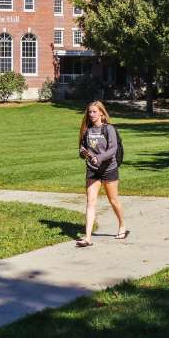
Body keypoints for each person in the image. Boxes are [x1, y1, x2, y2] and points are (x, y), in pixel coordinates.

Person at [75, 101, 126, 247]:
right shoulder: (87, 131)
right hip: (92, 169)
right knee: (90, 202)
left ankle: (122, 225)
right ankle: (88, 237)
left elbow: (113, 149)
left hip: (109, 169)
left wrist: (100, 157)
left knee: (113, 200)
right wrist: (83, 153)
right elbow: (82, 149)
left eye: (94, 112)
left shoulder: (108, 129)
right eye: (89, 112)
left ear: (101, 113)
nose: (91, 114)